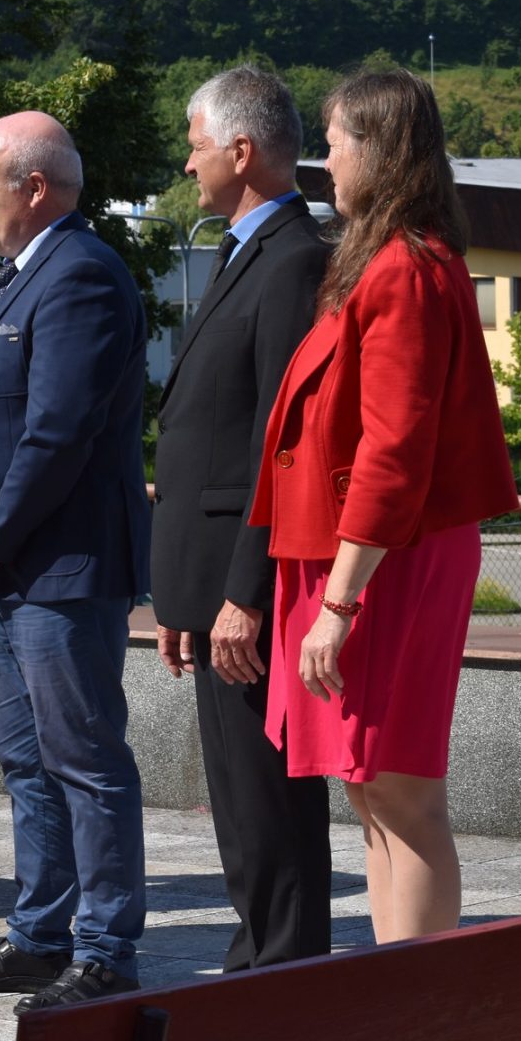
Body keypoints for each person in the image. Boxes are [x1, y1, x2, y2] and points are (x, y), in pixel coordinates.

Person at [248, 69, 518, 944]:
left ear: (379, 150)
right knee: (370, 789)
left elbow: (394, 449)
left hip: (383, 559)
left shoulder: (405, 267)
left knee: (399, 789)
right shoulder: (384, 260)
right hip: (362, 556)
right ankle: (394, 986)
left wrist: (339, 604)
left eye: (334, 144)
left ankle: (421, 998)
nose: (325, 162)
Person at [0, 111, 151, 1014]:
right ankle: (39, 937)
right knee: (26, 761)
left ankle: (105, 951)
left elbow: (59, 432)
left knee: (84, 760)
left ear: (35, 186)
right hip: (8, 565)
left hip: (60, 567)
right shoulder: (20, 272)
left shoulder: (81, 274)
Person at [150, 66, 333, 971]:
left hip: (248, 586)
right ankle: (256, 962)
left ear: (241, 149)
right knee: (237, 798)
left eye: (195, 146)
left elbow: (278, 441)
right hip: (213, 579)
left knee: (268, 799)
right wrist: (188, 594)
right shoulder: (242, 252)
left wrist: (242, 594)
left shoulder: (294, 258)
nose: (188, 165)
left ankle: (283, 973)